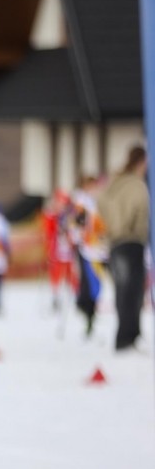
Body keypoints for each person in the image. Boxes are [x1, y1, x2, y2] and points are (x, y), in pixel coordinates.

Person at [98, 145, 150, 351]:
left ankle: (124, 337)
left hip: (115, 242)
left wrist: (110, 227)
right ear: (141, 162)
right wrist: (132, 227)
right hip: (132, 241)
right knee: (133, 291)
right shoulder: (137, 185)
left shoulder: (113, 183)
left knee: (121, 290)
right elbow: (139, 210)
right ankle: (129, 338)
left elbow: (100, 203)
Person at [69, 175, 107, 336]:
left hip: (100, 248)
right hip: (87, 248)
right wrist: (77, 232)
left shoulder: (98, 201)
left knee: (96, 282)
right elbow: (76, 222)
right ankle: (86, 308)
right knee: (89, 280)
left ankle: (90, 307)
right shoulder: (82, 202)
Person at [40, 189, 77, 312]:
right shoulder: (52, 216)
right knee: (56, 274)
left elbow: (74, 230)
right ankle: (56, 298)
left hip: (69, 251)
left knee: (71, 274)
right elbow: (48, 232)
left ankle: (74, 297)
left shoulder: (70, 215)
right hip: (57, 251)